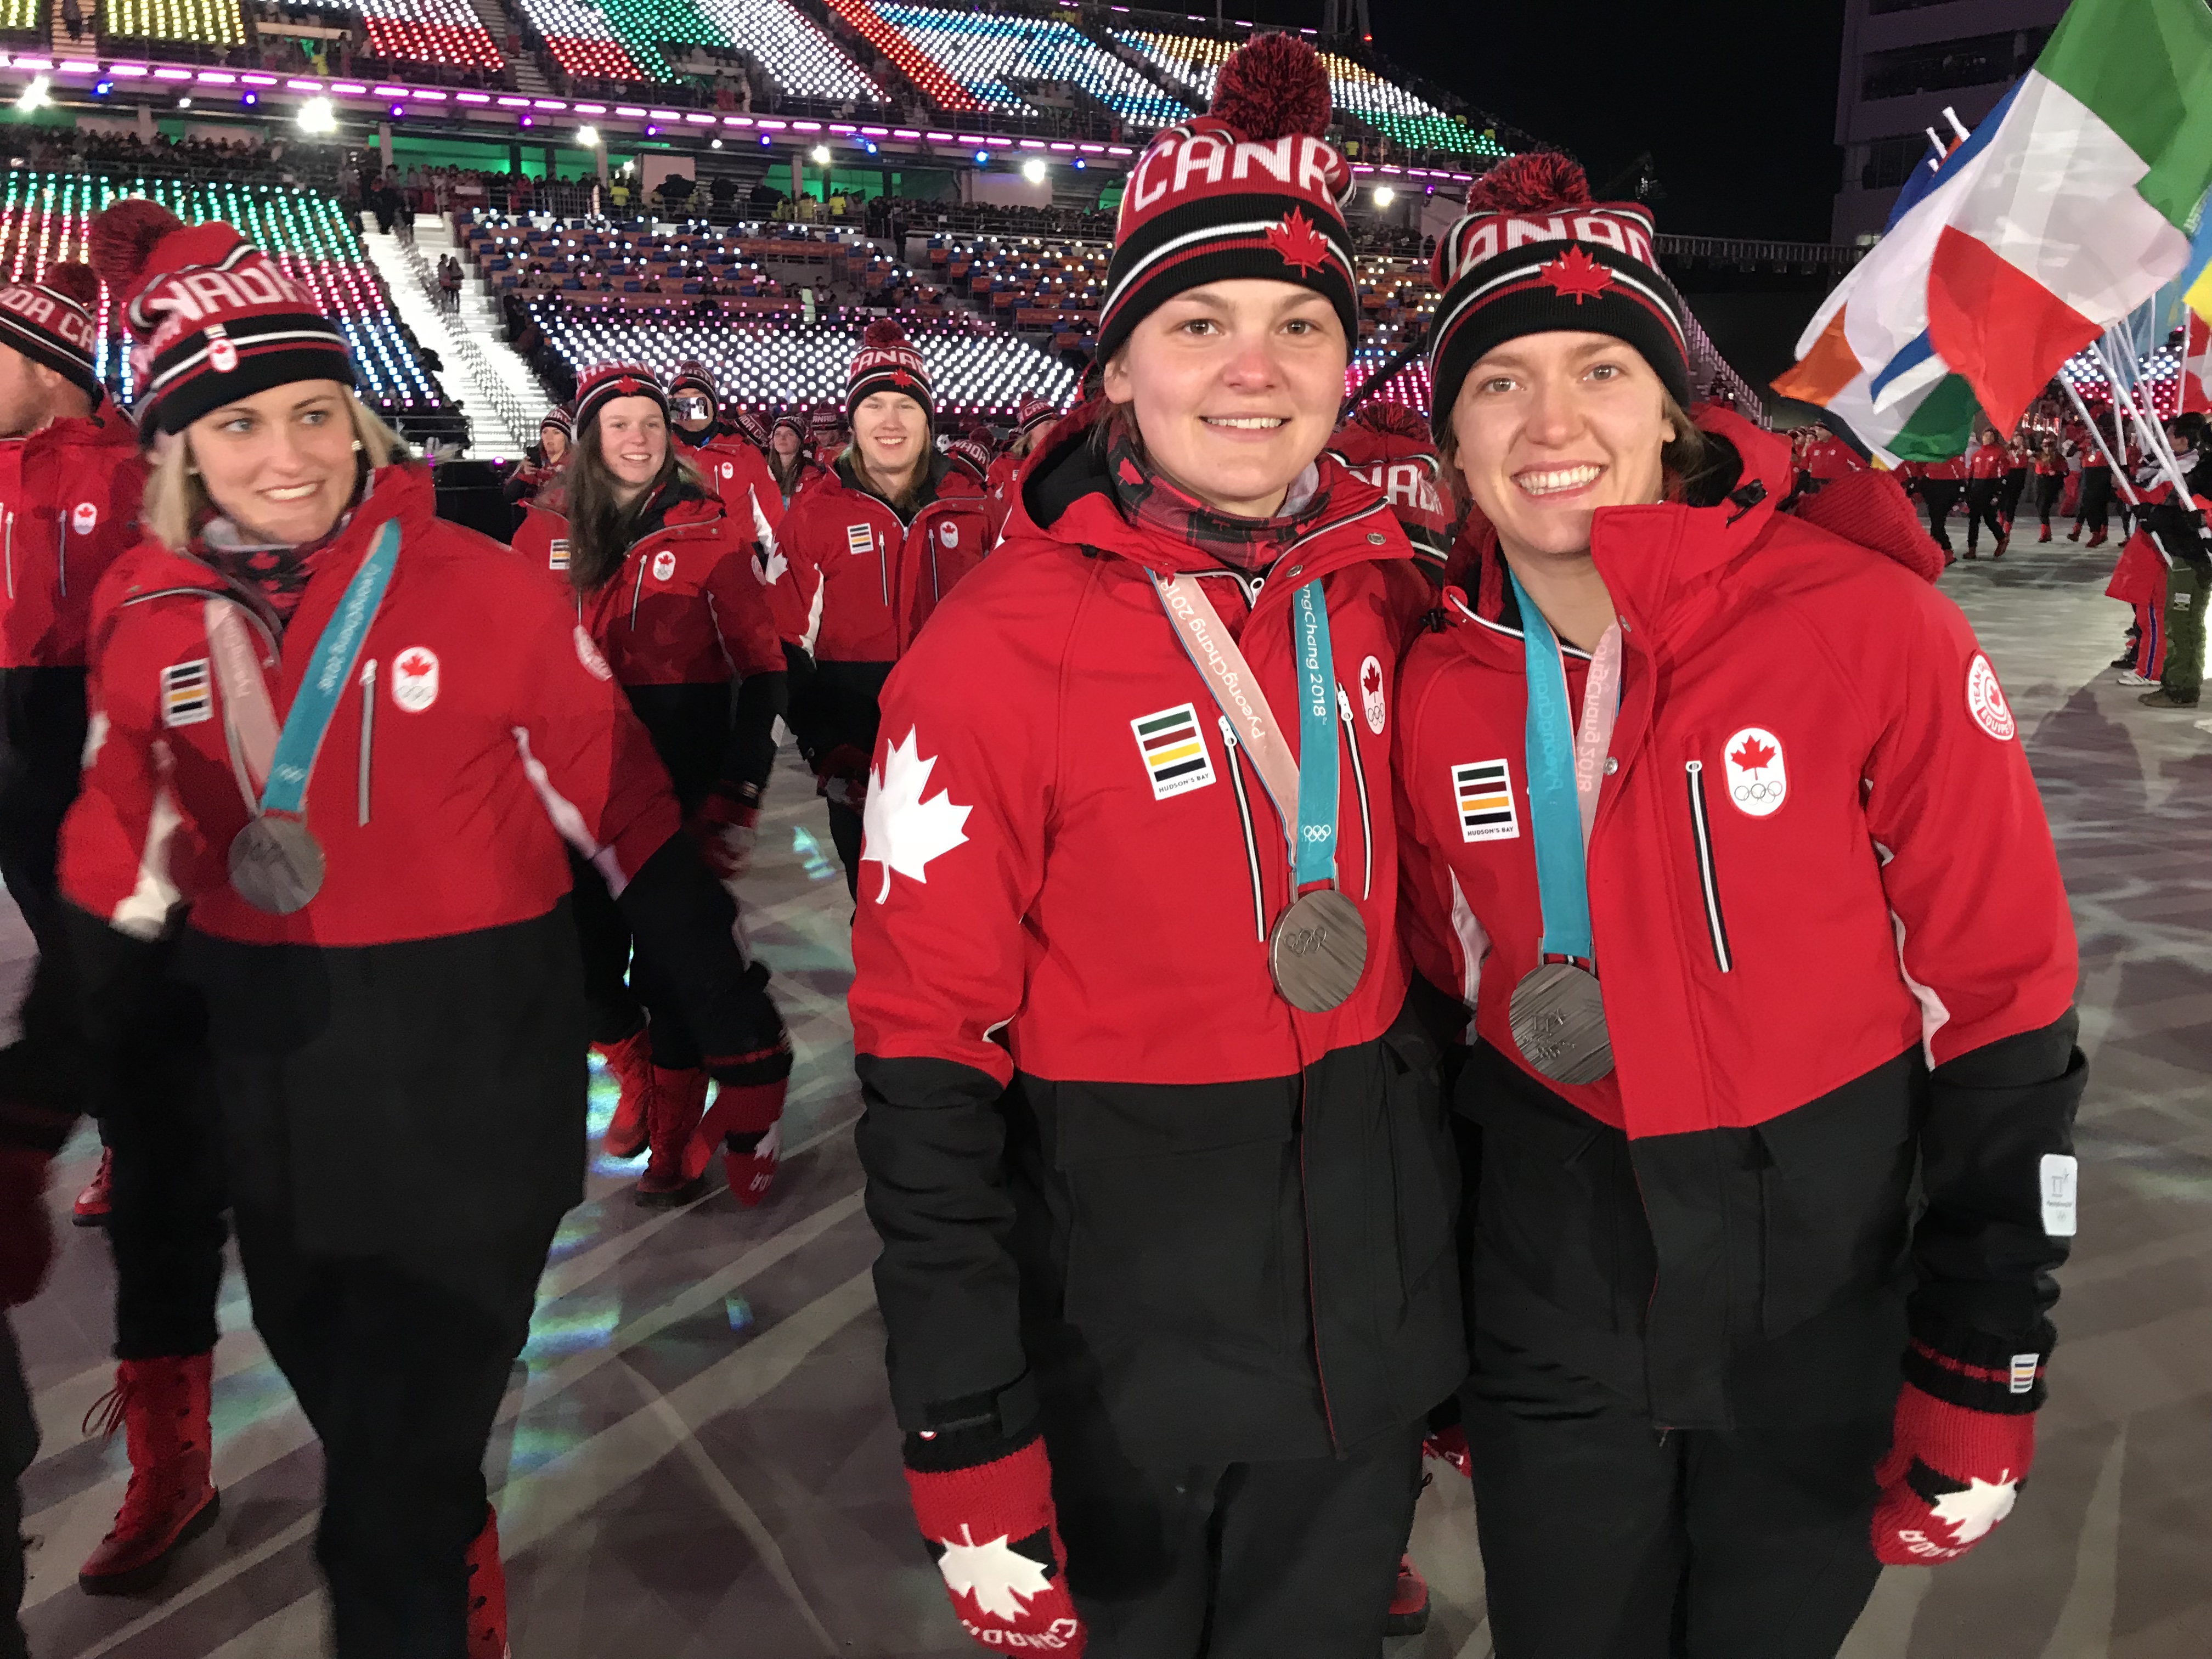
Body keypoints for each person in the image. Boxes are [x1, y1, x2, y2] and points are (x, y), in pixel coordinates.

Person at [64, 196, 792, 1659]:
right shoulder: (146, 609)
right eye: (240, 424)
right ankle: (444, 1542)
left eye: (314, 414)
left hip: (478, 1090)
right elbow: (111, 869)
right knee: (347, 1393)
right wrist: (39, 1098)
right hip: (279, 1091)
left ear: (359, 423)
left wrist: (733, 1025)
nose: (287, 456)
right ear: (180, 449)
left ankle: (434, 1592)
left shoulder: (483, 588)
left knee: (390, 1485)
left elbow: (630, 821)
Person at [1397, 152, 2085, 1659]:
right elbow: (1430, 1010)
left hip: (1817, 1300)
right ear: (1451, 438)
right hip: (1552, 1302)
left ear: (1673, 408)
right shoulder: (1430, 681)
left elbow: (2009, 1002)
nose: (1552, 422)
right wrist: (1433, 1332)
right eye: (1500, 382)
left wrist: (1989, 1347)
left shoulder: (1870, 627)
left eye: (1598, 370)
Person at [847, 38, 1463, 1657]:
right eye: (1199, 326)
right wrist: (964, 1422)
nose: (1254, 369)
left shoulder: (1394, 591)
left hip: (1361, 1353)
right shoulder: (991, 652)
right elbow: (922, 1058)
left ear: (1347, 366)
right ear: (1116, 367)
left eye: (1299, 326)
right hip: (1123, 1375)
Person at [0, 259, 232, 1601]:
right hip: (59, 799)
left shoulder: (134, 472)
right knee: (156, 1145)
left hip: (154, 798)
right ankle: (173, 1459)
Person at [535, 364, 791, 1203]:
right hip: (570, 786)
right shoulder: (540, 533)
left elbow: (764, 669)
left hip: (679, 779)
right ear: (588, 441)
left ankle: (675, 1133)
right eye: (619, 425)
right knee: (578, 964)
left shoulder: (711, 532)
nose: (639, 437)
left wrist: (741, 785)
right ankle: (633, 1064)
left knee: (673, 965)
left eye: (651, 422)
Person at [768, 321, 988, 898]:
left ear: (929, 420)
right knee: (878, 900)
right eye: (874, 406)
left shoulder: (975, 509)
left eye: (906, 406)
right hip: (860, 750)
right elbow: (783, 643)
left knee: (970, 902)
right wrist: (826, 747)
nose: (891, 422)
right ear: (853, 419)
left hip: (968, 746)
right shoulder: (814, 516)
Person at [667, 362, 783, 556]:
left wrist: (778, 568)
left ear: (712, 405)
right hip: (676, 561)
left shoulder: (743, 452)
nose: (688, 404)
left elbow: (773, 523)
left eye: (697, 397)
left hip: (736, 560)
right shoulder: (660, 452)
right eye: (680, 399)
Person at [505, 407, 572, 515]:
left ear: (566, 437)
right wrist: (523, 475)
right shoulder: (534, 461)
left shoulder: (575, 464)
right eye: (545, 432)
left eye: (556, 433)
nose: (549, 437)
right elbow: (510, 497)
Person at [1963, 425, 2011, 558]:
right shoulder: (1976, 455)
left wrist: (1998, 493)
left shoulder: (2000, 453)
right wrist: (1967, 491)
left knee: (1990, 519)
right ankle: (1972, 549)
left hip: (1991, 489)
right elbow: (1970, 473)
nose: (1988, 438)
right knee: (1974, 520)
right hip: (1976, 489)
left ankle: (2002, 538)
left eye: (1991, 436)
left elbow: (2004, 474)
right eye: (1986, 436)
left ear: (1995, 438)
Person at [764, 411, 820, 507]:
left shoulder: (812, 473)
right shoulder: (764, 472)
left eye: (789, 434)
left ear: (800, 441)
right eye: (778, 434)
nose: (782, 438)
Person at [1917, 449, 1965, 557]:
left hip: (1948, 483)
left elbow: (1959, 468)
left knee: (1937, 519)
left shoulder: (1954, 449)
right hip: (1931, 482)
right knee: (1936, 518)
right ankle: (1938, 548)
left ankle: (1944, 547)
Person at [2034, 436, 2066, 543]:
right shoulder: (2039, 455)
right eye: (2045, 446)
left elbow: (2066, 471)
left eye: (2049, 446)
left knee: (2044, 507)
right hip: (2040, 481)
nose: (2047, 448)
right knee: (2039, 505)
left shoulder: (2058, 457)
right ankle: (2046, 532)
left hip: (2051, 483)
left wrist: (2057, 473)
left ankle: (2045, 533)